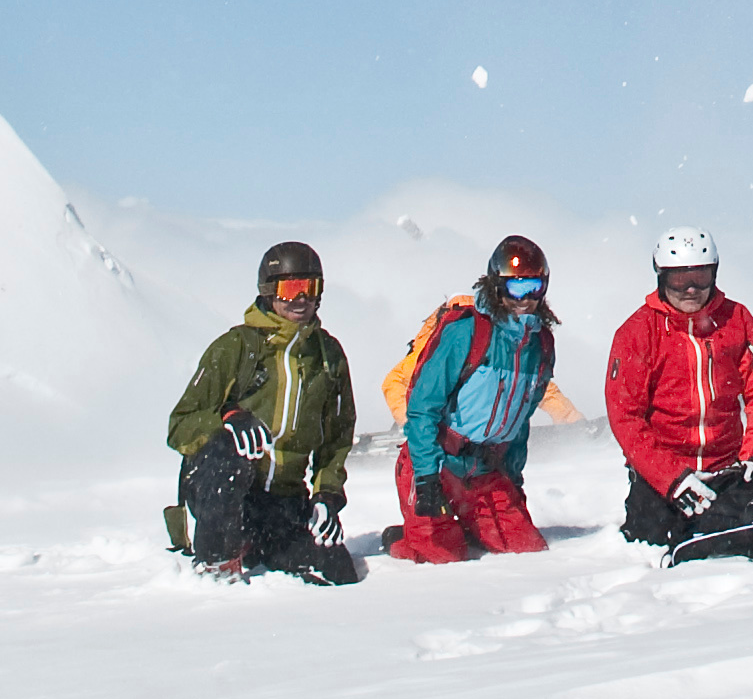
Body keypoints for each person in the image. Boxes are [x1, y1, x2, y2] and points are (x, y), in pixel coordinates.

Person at [162, 240, 362, 582]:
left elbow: (337, 439)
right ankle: (216, 561)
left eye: (311, 287)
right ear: (271, 291)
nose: (302, 298)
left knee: (337, 570)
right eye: (291, 288)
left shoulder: (327, 356)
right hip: (226, 493)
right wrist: (226, 419)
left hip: (281, 500)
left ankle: (257, 544)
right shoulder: (236, 347)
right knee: (228, 451)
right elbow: (180, 425)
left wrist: (327, 496)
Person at [605, 227, 753, 547]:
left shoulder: (736, 319)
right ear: (661, 278)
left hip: (730, 473)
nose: (691, 289)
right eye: (680, 279)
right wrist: (670, 479)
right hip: (662, 483)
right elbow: (626, 416)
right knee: (660, 549)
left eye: (701, 277)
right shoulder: (638, 332)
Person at [388, 233, 562, 562]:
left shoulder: (539, 346)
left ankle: (463, 524)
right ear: (497, 287)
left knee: (525, 550)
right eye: (516, 288)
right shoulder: (466, 333)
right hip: (436, 463)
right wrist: (426, 476)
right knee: (444, 556)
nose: (525, 299)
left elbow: (520, 421)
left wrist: (512, 477)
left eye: (534, 288)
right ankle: (404, 536)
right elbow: (422, 410)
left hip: (483, 470)